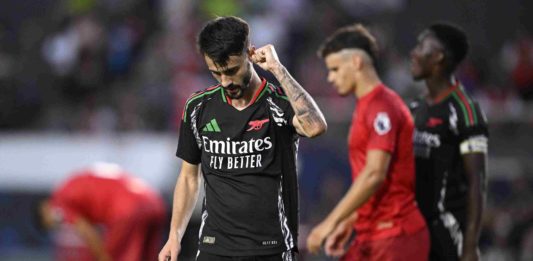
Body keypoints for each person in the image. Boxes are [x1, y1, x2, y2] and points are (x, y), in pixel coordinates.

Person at [158, 16, 327, 261]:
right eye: (216, 73)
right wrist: (174, 237)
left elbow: (315, 127)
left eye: (231, 71)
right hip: (213, 247)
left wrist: (278, 69)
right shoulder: (198, 107)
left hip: (270, 249)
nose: (225, 81)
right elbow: (188, 177)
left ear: (249, 52)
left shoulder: (278, 104)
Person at [306, 24, 429, 261]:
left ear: (356, 62)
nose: (330, 78)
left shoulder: (382, 107)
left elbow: (374, 174)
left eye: (334, 69)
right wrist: (351, 220)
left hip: (395, 236)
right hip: (374, 233)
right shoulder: (367, 106)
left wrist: (329, 223)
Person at [410, 22, 488, 261]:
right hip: (415, 230)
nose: (414, 53)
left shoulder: (466, 110)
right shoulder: (414, 109)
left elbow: (477, 180)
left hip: (449, 233)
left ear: (438, 57)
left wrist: (470, 245)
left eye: (421, 47)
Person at [35, 162, 166, 261]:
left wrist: (103, 258)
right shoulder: (75, 182)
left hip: (127, 210)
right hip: (154, 202)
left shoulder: (59, 200)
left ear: (44, 208)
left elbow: (88, 232)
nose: (59, 224)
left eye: (51, 223)